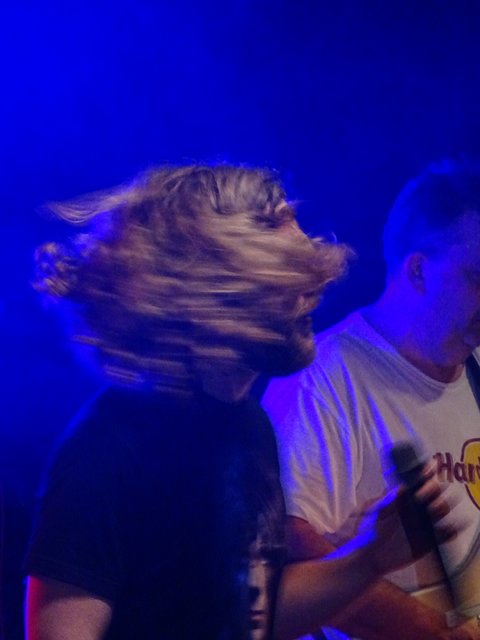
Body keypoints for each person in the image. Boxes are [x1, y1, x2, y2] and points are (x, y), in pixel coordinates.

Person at [25, 164, 451, 640]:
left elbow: (248, 616)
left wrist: (371, 557)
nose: (313, 296)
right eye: (289, 282)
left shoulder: (249, 427)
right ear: (220, 291)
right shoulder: (105, 451)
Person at [263, 159, 480, 640]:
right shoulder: (319, 382)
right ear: (419, 271)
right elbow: (292, 548)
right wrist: (435, 632)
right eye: (477, 277)